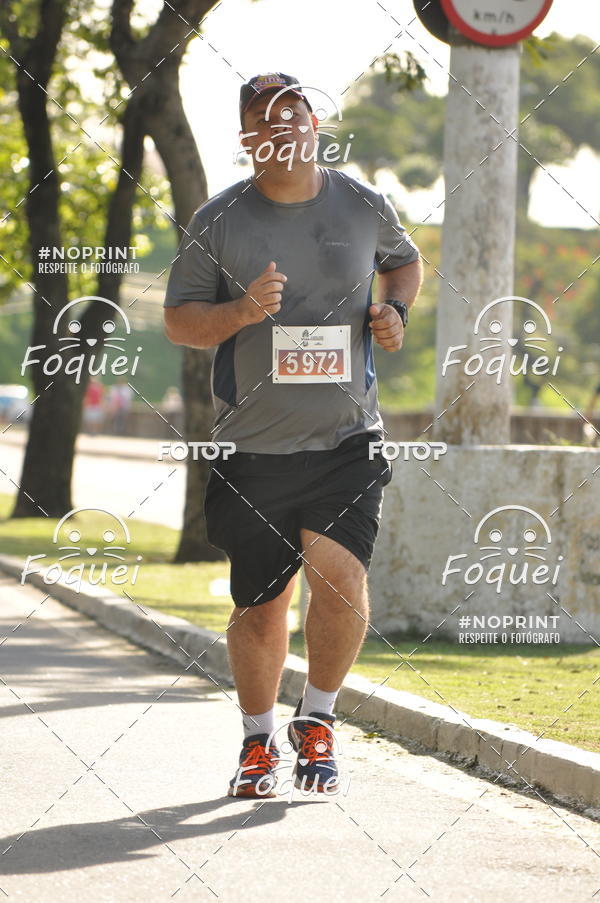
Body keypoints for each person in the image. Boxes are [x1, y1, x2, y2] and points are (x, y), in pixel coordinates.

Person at [163, 73, 423, 798]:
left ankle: (318, 719)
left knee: (339, 579)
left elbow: (404, 263)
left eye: (293, 112)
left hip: (347, 440)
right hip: (252, 447)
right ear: (246, 137)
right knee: (262, 602)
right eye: (263, 116)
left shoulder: (364, 204)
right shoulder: (219, 220)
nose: (280, 125)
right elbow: (180, 321)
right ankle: (257, 740)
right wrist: (242, 312)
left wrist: (395, 312)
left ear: (314, 125)